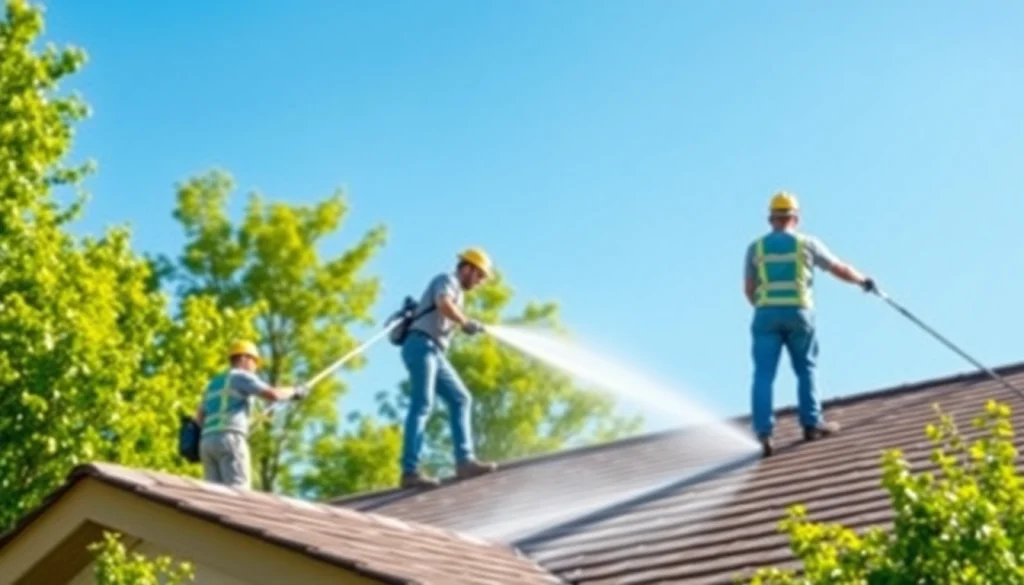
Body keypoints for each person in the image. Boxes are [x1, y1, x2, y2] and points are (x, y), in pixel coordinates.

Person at [744, 192, 875, 456]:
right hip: (799, 314)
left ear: (771, 219)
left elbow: (749, 289)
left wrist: (765, 307)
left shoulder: (755, 248)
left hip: (765, 314)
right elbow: (838, 268)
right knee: (805, 367)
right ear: (796, 218)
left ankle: (764, 433)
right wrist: (863, 281)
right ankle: (811, 424)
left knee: (763, 374)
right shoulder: (806, 244)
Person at [399, 247, 498, 488]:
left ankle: (465, 461)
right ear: (466, 268)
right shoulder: (446, 280)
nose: (480, 282)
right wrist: (464, 322)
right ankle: (410, 471)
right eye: (479, 276)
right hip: (420, 345)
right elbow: (443, 303)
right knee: (422, 404)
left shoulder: (459, 293)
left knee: (460, 398)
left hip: (434, 351)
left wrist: (465, 322)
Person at [195, 340, 308, 488]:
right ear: (244, 358)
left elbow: (199, 417)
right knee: (238, 491)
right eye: (254, 361)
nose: (255, 367)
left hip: (206, 443)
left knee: (213, 495)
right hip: (230, 439)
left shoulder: (213, 383)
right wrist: (295, 391)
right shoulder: (241, 376)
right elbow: (274, 394)